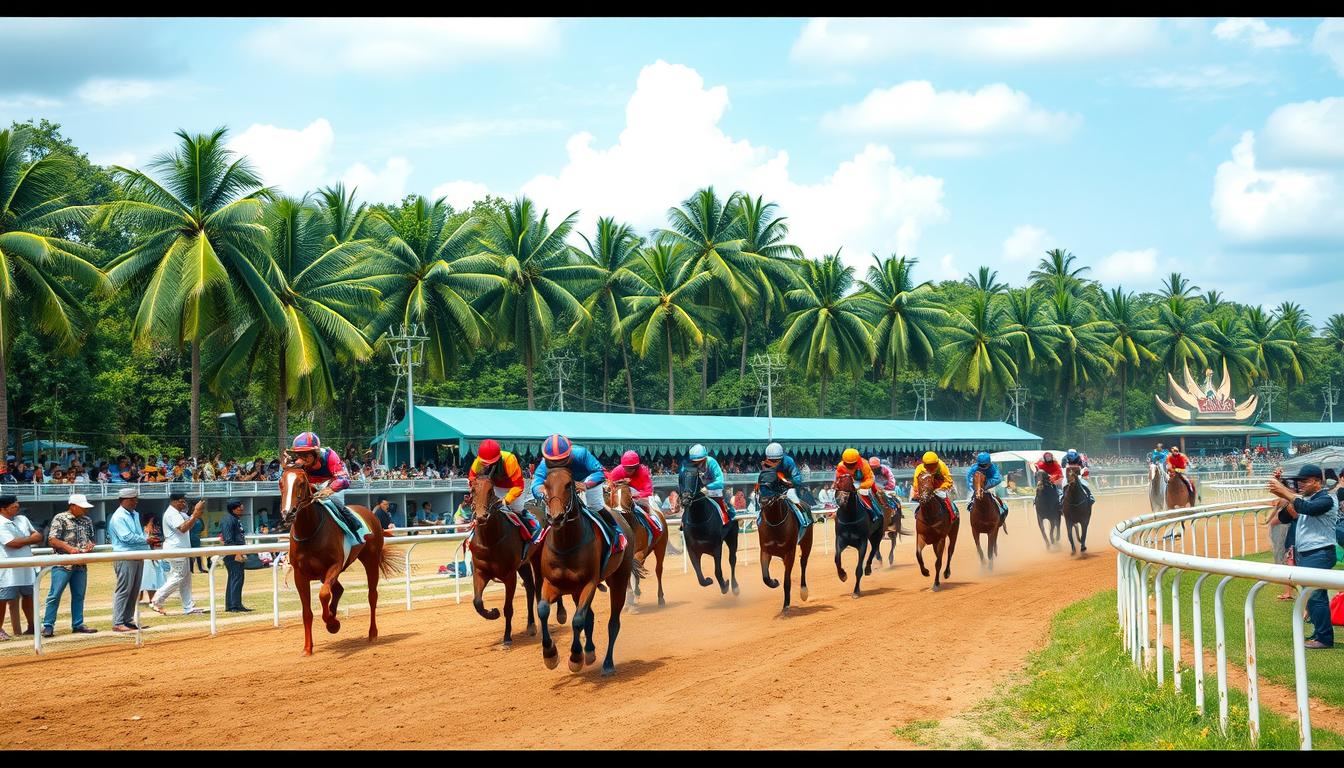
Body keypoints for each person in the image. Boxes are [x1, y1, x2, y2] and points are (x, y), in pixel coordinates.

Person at [1268, 465, 1339, 649]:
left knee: (1316, 596)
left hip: (1320, 553)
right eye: (1298, 481)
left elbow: (1307, 508)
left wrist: (1285, 491)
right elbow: (1285, 517)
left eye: (1304, 481)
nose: (1300, 485)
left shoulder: (1327, 500)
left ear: (1317, 482)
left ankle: (1324, 638)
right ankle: (1320, 633)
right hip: (1309, 554)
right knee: (1314, 596)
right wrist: (1283, 490)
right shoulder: (1307, 500)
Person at [530, 434, 624, 556]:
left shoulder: (581, 453)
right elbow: (536, 482)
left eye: (561, 460)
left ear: (569, 455)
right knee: (550, 510)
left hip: (585, 482)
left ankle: (617, 534)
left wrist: (586, 484)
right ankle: (538, 545)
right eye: (553, 462)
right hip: (561, 487)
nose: (558, 464)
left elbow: (600, 472)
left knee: (595, 506)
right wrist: (542, 491)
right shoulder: (544, 463)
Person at [41, 494, 98, 638]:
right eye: (82, 507)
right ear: (72, 506)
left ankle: (78, 624)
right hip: (63, 563)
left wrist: (90, 545)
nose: (85, 510)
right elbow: (52, 540)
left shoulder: (87, 520)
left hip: (80, 563)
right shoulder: (60, 518)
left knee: (79, 595)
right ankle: (48, 625)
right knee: (55, 595)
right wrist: (69, 549)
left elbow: (91, 538)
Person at [288, 431, 363, 537]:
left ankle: (354, 528)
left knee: (335, 502)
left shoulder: (330, 455)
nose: (302, 458)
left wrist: (329, 490)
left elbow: (345, 480)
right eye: (300, 454)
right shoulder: (297, 463)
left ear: (316, 453)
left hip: (331, 482)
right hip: (311, 485)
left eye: (306, 455)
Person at [469, 439, 540, 538]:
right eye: (485, 463)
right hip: (495, 488)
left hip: (513, 488)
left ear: (498, 457)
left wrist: (506, 500)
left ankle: (532, 526)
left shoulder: (509, 459)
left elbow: (518, 486)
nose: (487, 465)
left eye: (491, 462)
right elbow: (472, 482)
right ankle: (471, 536)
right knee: (482, 511)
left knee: (517, 509)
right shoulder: (477, 462)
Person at [149, 494, 206, 616]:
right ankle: (156, 600)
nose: (184, 504)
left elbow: (193, 520)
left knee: (186, 578)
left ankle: (188, 607)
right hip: (176, 550)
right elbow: (184, 528)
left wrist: (198, 509)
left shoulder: (180, 513)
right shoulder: (171, 514)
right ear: (173, 502)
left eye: (185, 502)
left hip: (182, 550)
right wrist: (195, 513)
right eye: (181, 502)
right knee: (178, 576)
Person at [108, 487, 154, 632]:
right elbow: (126, 537)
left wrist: (146, 543)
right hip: (124, 556)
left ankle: (128, 620)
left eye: (136, 499)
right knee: (124, 590)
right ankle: (118, 622)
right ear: (124, 501)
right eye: (133, 500)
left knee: (134, 591)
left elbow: (137, 534)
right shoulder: (118, 517)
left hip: (136, 555)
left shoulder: (133, 514)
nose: (136, 502)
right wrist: (146, 541)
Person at [0, 495, 41, 640]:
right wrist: (30, 539)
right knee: (2, 599)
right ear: (3, 509)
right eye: (13, 507)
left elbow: (38, 536)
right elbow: (12, 543)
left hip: (26, 566)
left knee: (29, 597)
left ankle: (32, 626)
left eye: (17, 506)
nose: (17, 509)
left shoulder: (22, 519)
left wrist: (24, 540)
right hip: (7, 569)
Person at [687, 444, 732, 525]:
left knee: (722, 507)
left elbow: (720, 481)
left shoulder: (711, 462)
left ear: (704, 459)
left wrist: (708, 487)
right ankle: (684, 523)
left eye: (699, 462)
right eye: (695, 462)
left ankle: (725, 521)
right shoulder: (692, 466)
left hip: (714, 490)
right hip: (699, 491)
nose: (697, 465)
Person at [834, 448, 881, 523]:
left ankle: (874, 512)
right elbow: (839, 479)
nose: (850, 465)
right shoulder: (840, 466)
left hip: (864, 482)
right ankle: (836, 511)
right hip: (849, 483)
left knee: (864, 493)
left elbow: (869, 479)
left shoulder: (864, 464)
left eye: (852, 463)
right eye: (848, 464)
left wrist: (860, 486)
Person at [963, 451, 1011, 524]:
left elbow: (998, 478)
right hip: (977, 487)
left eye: (985, 465)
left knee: (998, 499)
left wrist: (985, 484)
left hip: (990, 486)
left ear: (989, 463)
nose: (982, 467)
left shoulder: (993, 468)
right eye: (981, 465)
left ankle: (1002, 510)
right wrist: (975, 487)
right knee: (970, 501)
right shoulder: (974, 468)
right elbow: (969, 479)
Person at [221, 499, 250, 612]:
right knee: (236, 578)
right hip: (233, 554)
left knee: (236, 578)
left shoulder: (234, 519)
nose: (241, 509)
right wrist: (237, 553)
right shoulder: (228, 520)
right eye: (239, 507)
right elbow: (228, 539)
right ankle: (233, 606)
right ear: (233, 509)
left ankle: (235, 604)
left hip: (236, 552)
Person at [911, 451, 957, 520]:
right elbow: (916, 483)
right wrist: (918, 492)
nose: (931, 468)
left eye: (933, 465)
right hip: (925, 490)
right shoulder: (919, 469)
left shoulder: (942, 466)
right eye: (928, 465)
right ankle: (917, 515)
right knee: (916, 500)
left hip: (939, 488)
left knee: (944, 497)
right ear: (924, 464)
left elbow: (948, 481)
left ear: (937, 463)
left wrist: (940, 488)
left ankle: (953, 513)